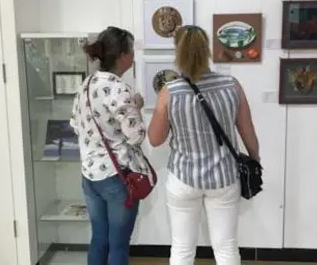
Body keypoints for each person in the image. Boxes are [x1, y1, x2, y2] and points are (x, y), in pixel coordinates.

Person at [147, 25, 260, 265]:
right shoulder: (231, 85)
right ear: (206, 49)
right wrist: (254, 159)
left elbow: (155, 139)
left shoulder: (169, 92)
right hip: (224, 176)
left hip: (183, 177)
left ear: (178, 52)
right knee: (227, 248)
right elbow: (248, 132)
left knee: (182, 250)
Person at [69, 26, 152, 265]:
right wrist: (136, 105)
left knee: (99, 239)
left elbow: (75, 125)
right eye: (132, 50)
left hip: (90, 175)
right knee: (118, 245)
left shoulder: (85, 85)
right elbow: (136, 136)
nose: (134, 56)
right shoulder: (119, 89)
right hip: (117, 177)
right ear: (123, 55)